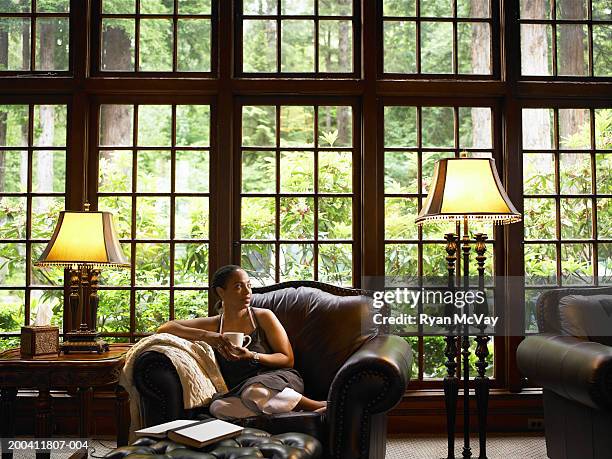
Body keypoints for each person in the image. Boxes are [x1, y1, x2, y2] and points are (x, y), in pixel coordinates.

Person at [157, 265, 326, 419]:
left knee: (255, 392)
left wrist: (252, 355)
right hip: (240, 390)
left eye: (249, 286)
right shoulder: (215, 324)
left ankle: (315, 406)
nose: (247, 292)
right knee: (218, 407)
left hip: (278, 381)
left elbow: (287, 359)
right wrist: (207, 336)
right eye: (238, 287)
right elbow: (165, 327)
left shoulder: (263, 316)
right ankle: (289, 412)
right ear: (221, 292)